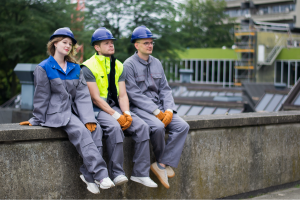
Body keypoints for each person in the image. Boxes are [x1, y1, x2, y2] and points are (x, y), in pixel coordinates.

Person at [19, 27, 114, 194]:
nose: (68, 46)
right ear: (55, 44)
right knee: (80, 131)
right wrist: (36, 119)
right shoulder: (44, 67)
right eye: (64, 42)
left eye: (70, 44)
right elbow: (41, 96)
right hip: (56, 114)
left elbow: (83, 96)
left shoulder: (75, 68)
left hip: (74, 112)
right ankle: (101, 174)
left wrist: (89, 119)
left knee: (96, 129)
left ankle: (88, 176)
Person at [81, 27, 157, 188]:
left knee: (142, 126)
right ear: (97, 47)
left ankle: (140, 173)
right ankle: (116, 173)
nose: (111, 45)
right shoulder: (88, 67)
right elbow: (95, 98)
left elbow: (123, 95)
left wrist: (127, 114)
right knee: (115, 128)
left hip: (115, 106)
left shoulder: (119, 65)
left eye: (112, 42)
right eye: (106, 43)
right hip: (97, 109)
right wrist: (117, 116)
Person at [123, 25, 190, 189]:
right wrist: (157, 112)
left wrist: (168, 110)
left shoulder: (157, 63)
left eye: (151, 42)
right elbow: (133, 94)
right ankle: (163, 165)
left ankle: (161, 164)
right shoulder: (128, 65)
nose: (150, 45)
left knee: (182, 126)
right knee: (159, 126)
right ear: (136, 45)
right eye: (146, 43)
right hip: (140, 109)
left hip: (161, 107)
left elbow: (165, 89)